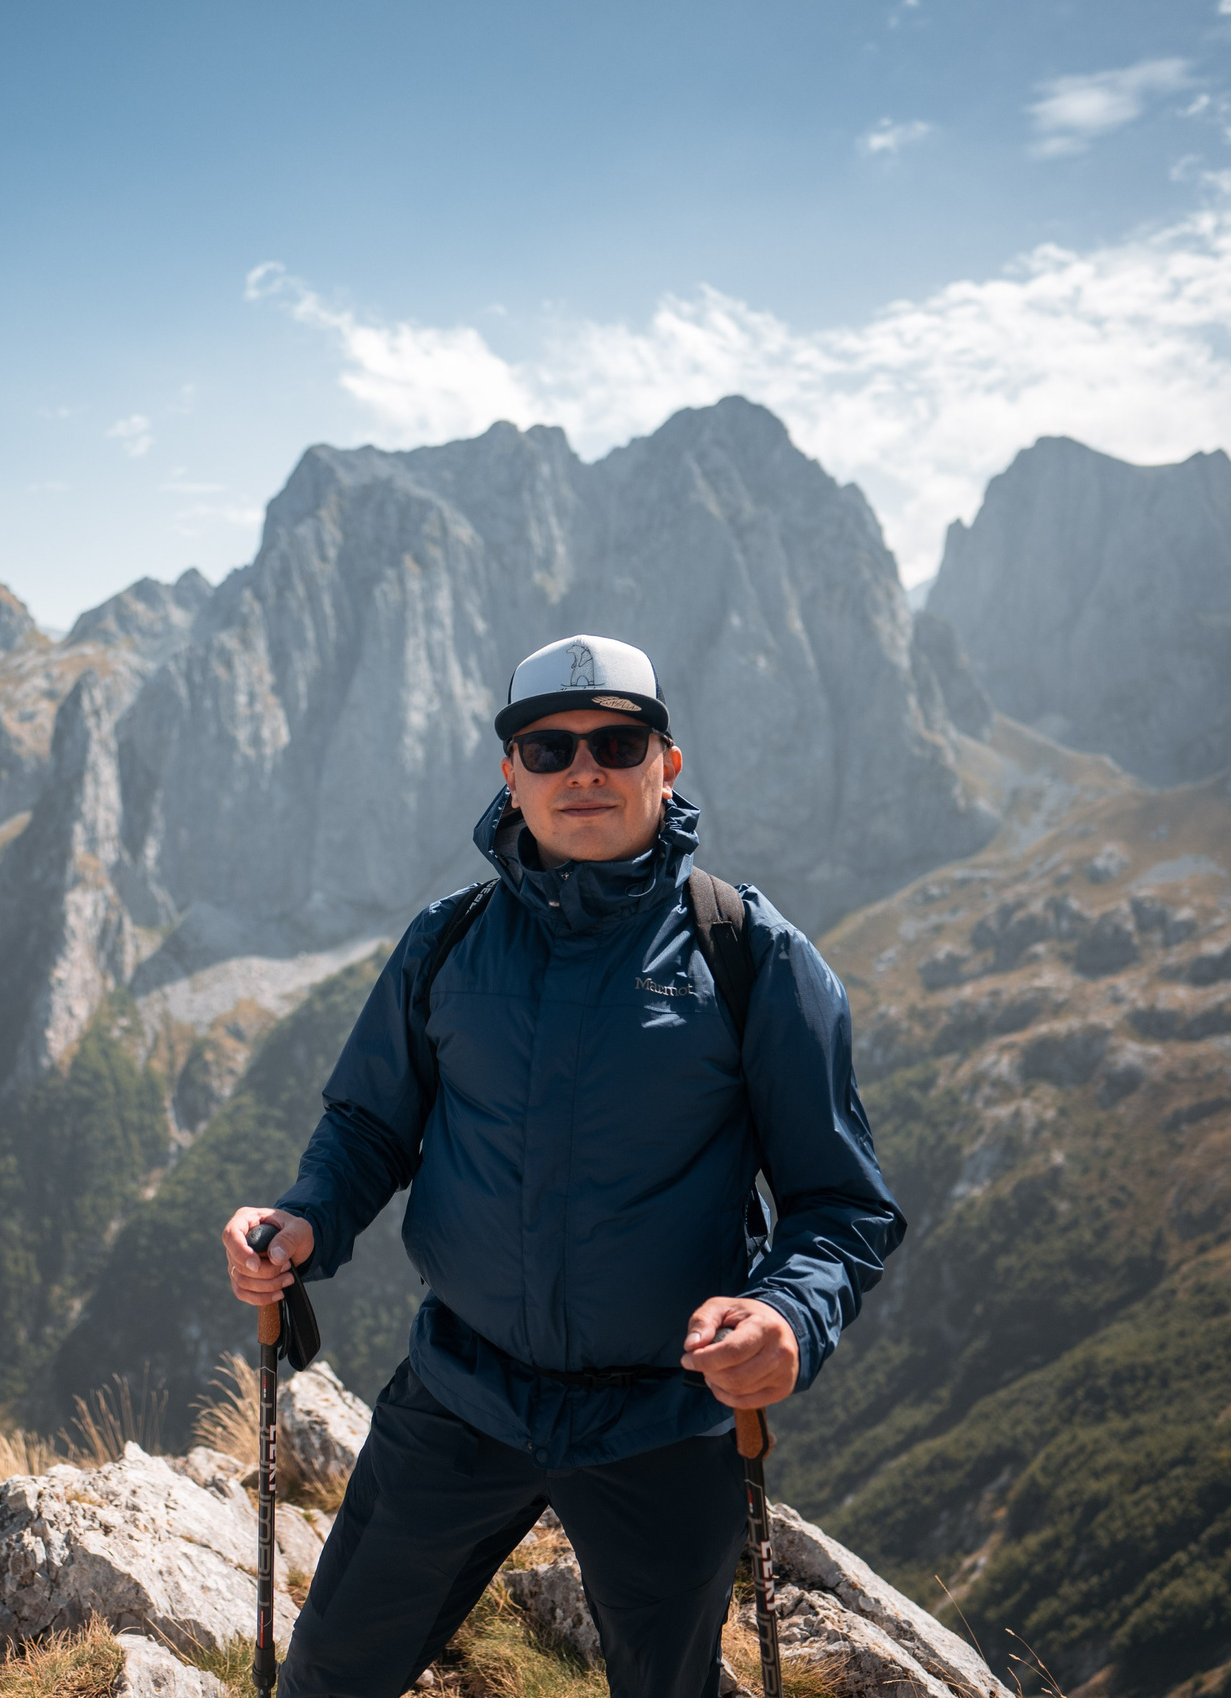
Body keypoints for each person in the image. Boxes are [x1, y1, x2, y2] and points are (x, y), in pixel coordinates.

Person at [222, 633, 904, 1698]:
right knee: (329, 1676)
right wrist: (308, 1215)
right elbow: (367, 1124)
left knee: (668, 1686)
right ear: (511, 775)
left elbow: (838, 1205)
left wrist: (789, 1320)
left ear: (665, 764)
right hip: (459, 1394)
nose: (581, 769)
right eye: (547, 747)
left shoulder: (749, 955)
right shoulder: (447, 944)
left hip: (664, 1421)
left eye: (616, 741)